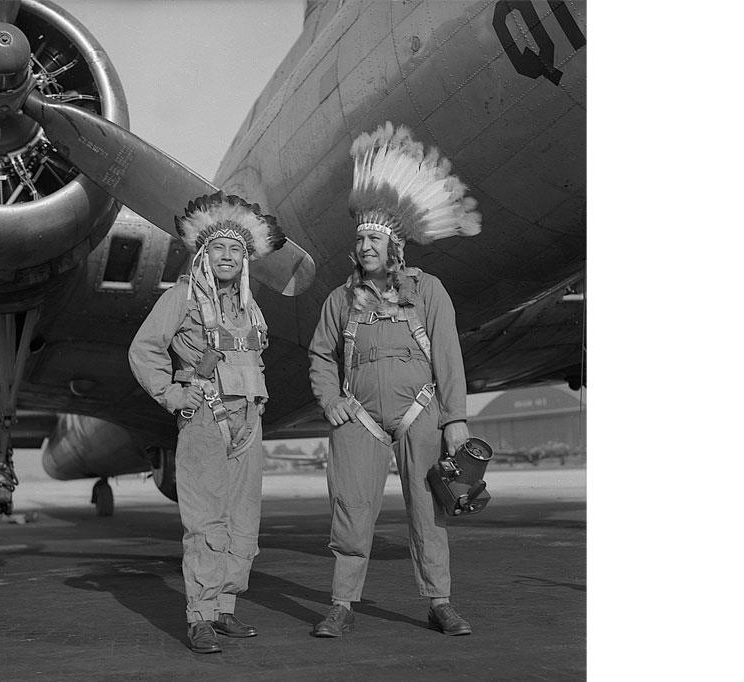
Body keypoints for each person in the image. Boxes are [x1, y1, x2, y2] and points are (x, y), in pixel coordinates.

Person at [307, 122, 482, 638]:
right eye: (360, 238)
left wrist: (456, 421)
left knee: (429, 510)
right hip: (358, 419)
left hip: (421, 414)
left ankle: (439, 601)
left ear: (395, 245)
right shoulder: (339, 301)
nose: (365, 246)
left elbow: (448, 357)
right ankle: (341, 603)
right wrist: (330, 399)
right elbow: (320, 355)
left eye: (375, 238)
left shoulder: (429, 292)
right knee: (350, 510)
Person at [128, 191, 286, 654]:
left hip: (248, 422)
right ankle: (199, 616)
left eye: (236, 250)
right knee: (206, 523)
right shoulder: (182, 298)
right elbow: (144, 350)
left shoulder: (250, 308)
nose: (227, 256)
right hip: (204, 419)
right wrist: (175, 396)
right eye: (218, 248)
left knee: (243, 523)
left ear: (245, 259)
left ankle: (224, 609)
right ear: (204, 254)